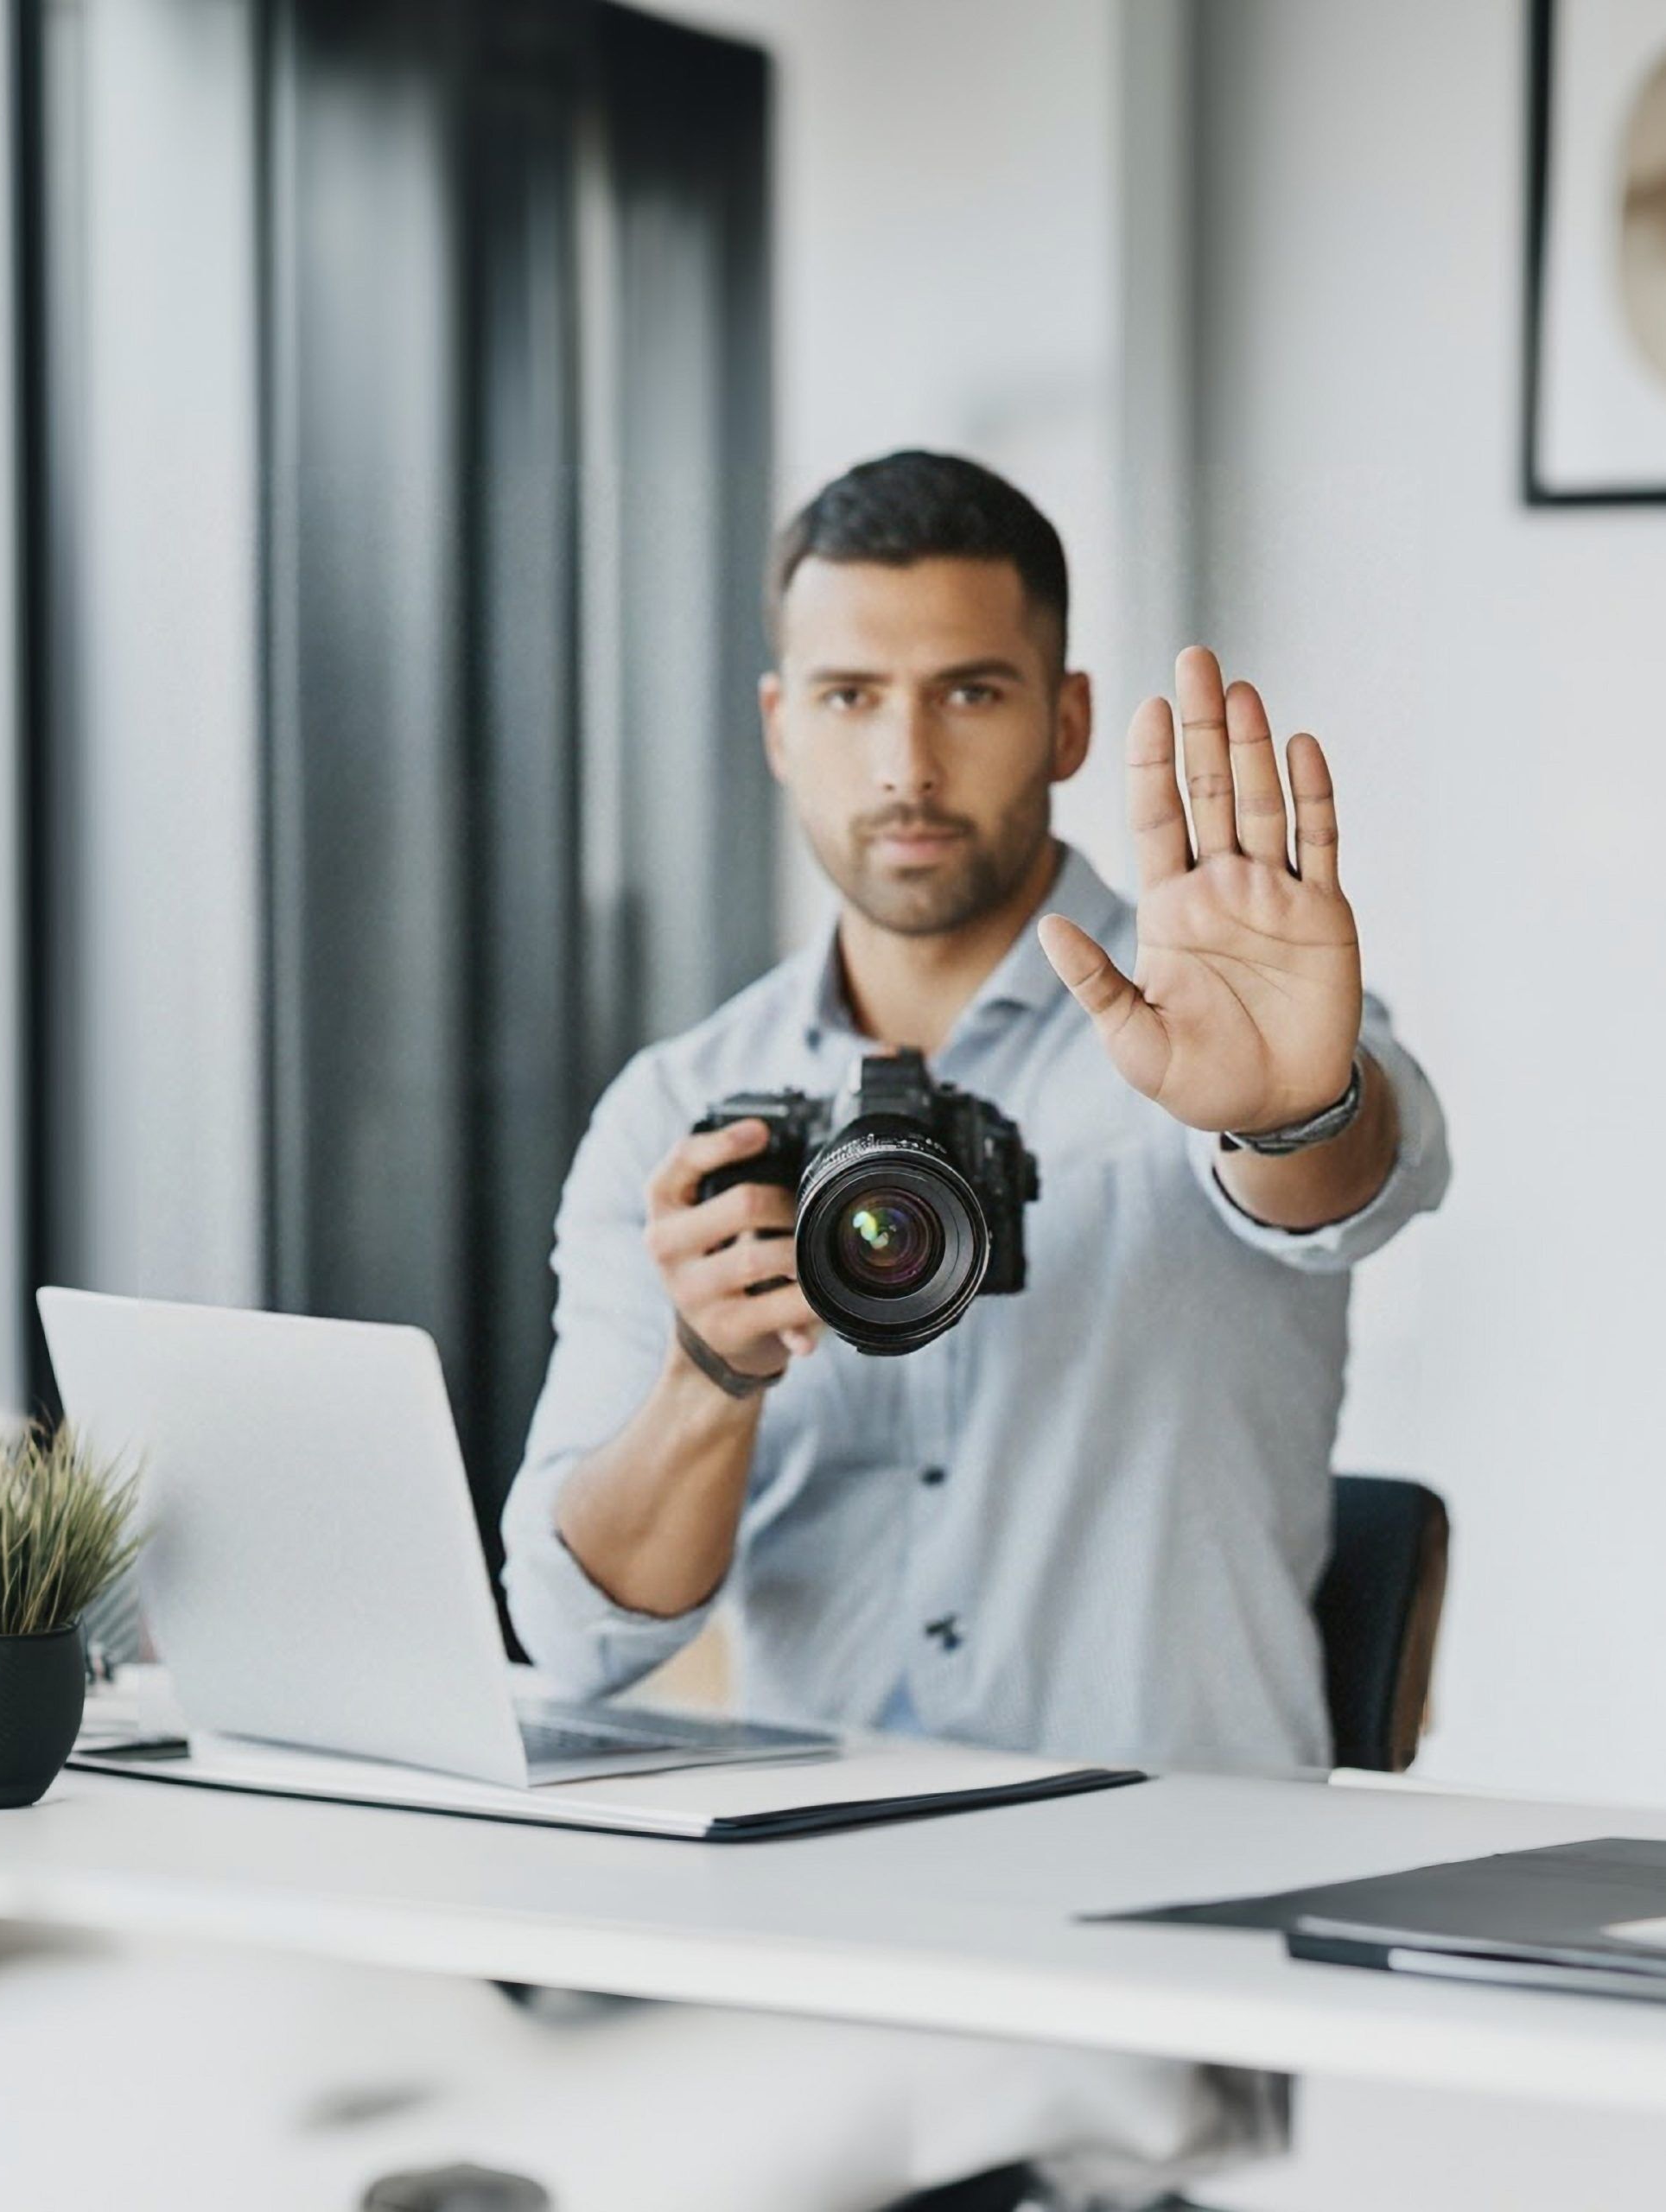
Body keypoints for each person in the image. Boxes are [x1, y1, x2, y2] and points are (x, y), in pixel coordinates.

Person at [501, 448, 1450, 1780]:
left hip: (1182, 1861)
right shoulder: (679, 1109)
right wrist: (711, 1376)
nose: (907, 765)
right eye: (850, 697)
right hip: (819, 1864)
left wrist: (1290, 1114)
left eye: (971, 692)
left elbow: (1352, 1184)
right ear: (780, 726)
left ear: (1066, 722)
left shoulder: (1220, 1017)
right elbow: (576, 1638)